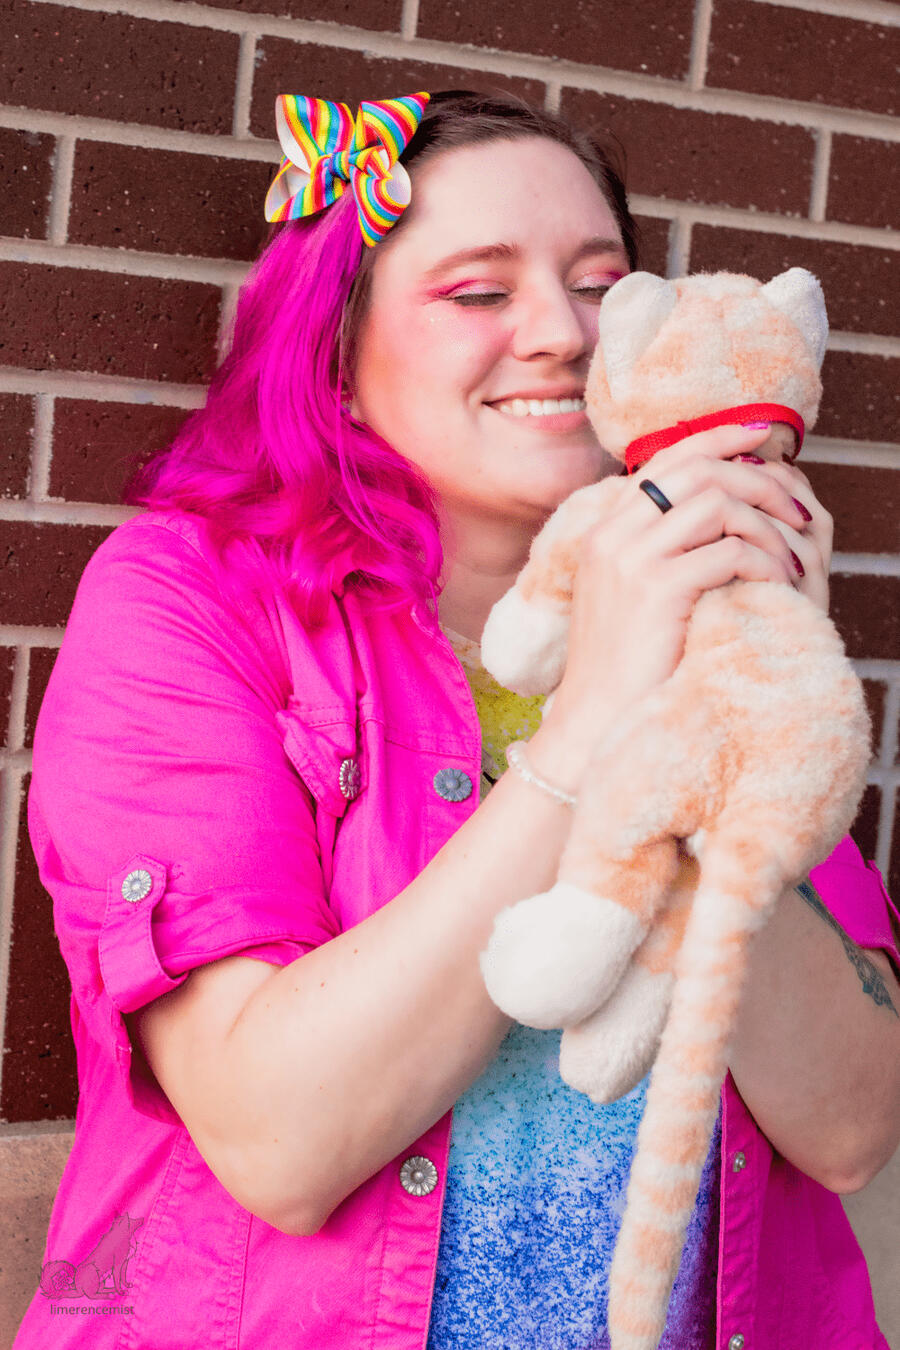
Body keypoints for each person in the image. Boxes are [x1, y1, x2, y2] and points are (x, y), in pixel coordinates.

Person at [14, 90, 900, 1350]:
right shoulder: (188, 603)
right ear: (337, 353)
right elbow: (282, 1139)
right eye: (479, 293)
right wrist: (591, 725)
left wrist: (719, 716)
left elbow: (854, 1128)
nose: (563, 332)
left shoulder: (723, 622)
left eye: (601, 284)